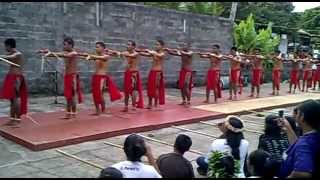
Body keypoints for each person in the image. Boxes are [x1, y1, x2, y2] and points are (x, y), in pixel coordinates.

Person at [41, 37, 83, 119]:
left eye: (65, 44)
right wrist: (48, 52)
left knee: (72, 95)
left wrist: (51, 54)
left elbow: (64, 55)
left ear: (70, 45)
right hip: (67, 76)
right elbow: (59, 53)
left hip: (72, 76)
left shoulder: (73, 53)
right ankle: (68, 113)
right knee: (67, 96)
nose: (63, 46)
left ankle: (73, 113)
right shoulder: (66, 52)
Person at [277, 100, 320, 178]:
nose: (294, 116)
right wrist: (288, 128)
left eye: (297, 113)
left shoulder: (304, 145)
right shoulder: (313, 136)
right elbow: (296, 145)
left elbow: (303, 172)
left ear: (302, 116)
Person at [81, 42, 122, 115]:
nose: (96, 48)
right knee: (95, 94)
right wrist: (82, 55)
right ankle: (97, 110)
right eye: (96, 47)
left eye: (98, 47)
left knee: (99, 94)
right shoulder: (96, 56)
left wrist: (91, 56)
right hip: (95, 77)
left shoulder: (106, 56)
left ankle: (103, 109)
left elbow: (100, 57)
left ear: (103, 48)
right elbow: (88, 57)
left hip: (102, 77)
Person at [0, 38, 28, 126]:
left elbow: (9, 57)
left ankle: (18, 119)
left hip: (16, 78)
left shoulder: (17, 54)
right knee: (12, 99)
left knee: (15, 98)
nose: (5, 48)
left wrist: (1, 57)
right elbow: (4, 57)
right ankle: (12, 119)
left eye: (5, 46)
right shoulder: (11, 53)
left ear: (9, 46)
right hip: (11, 77)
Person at [137, 40, 166, 109]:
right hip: (152, 72)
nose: (156, 46)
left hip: (157, 72)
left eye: (158, 45)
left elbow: (158, 55)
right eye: (155, 45)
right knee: (150, 88)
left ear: (162, 46)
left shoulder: (162, 53)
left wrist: (150, 51)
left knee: (156, 88)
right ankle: (150, 103)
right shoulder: (154, 53)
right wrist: (139, 52)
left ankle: (156, 104)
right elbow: (147, 54)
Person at [118, 40, 144, 112]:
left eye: (129, 45)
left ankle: (133, 106)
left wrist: (121, 53)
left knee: (133, 90)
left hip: (133, 73)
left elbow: (130, 55)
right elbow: (120, 54)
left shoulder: (136, 54)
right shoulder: (126, 53)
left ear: (133, 46)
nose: (127, 46)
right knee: (126, 90)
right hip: (127, 73)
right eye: (127, 44)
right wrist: (110, 52)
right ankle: (126, 106)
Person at [165, 42, 193, 106]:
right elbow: (173, 53)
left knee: (186, 85)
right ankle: (184, 100)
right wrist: (168, 50)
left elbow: (187, 54)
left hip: (188, 71)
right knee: (182, 86)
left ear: (188, 47)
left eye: (185, 46)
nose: (183, 47)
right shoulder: (182, 53)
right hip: (182, 71)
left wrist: (179, 50)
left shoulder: (190, 52)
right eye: (183, 46)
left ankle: (188, 101)